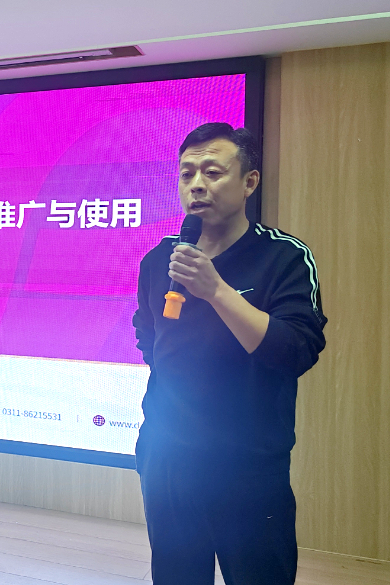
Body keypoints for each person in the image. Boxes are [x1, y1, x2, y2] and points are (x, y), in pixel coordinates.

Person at [132, 123, 327, 585]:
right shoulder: (160, 259)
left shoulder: (284, 257)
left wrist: (216, 290)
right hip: (168, 457)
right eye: (187, 174)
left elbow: (296, 350)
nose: (197, 184)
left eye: (213, 172)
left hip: (249, 465)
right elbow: (149, 339)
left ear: (249, 182)